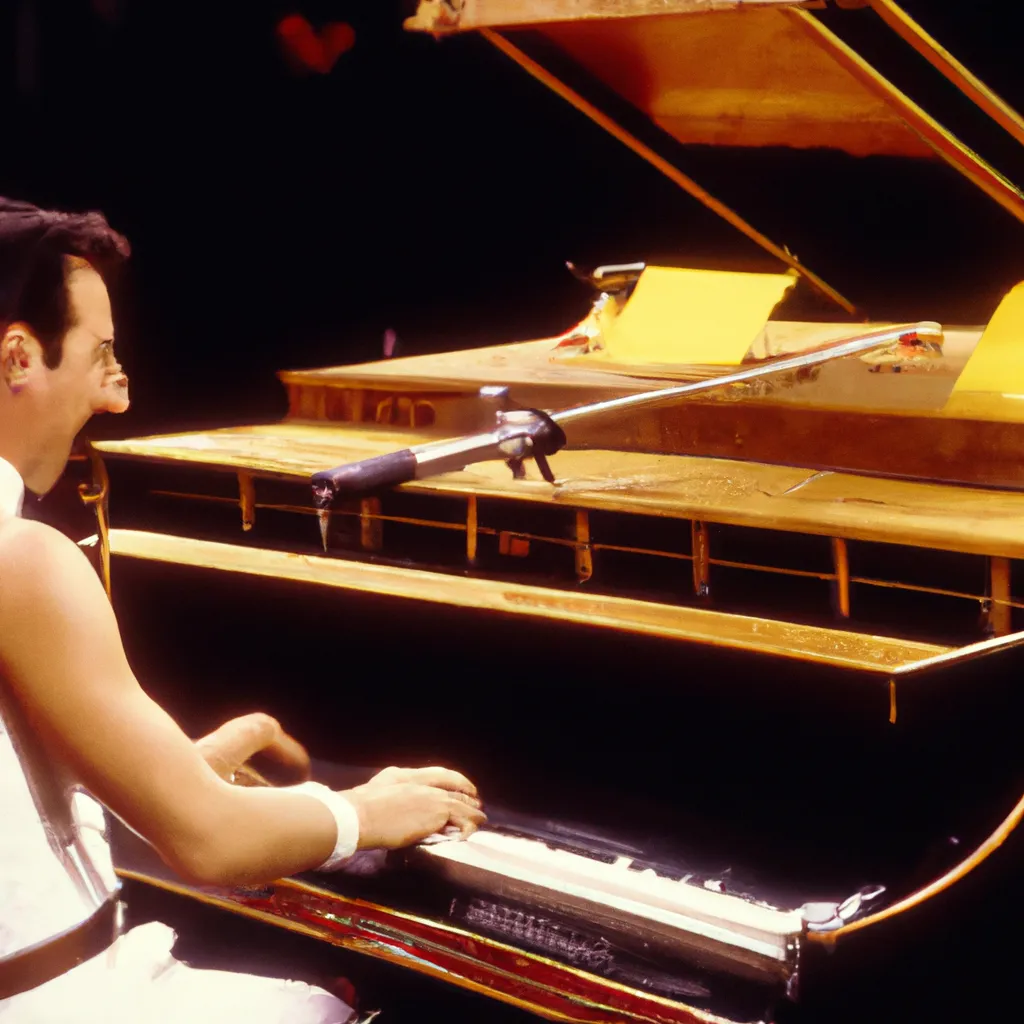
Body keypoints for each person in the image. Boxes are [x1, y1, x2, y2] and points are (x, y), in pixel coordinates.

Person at [0, 196, 486, 1021]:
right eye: (101, 357)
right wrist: (363, 810)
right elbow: (212, 844)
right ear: (18, 357)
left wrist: (171, 771)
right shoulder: (22, 560)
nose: (115, 399)